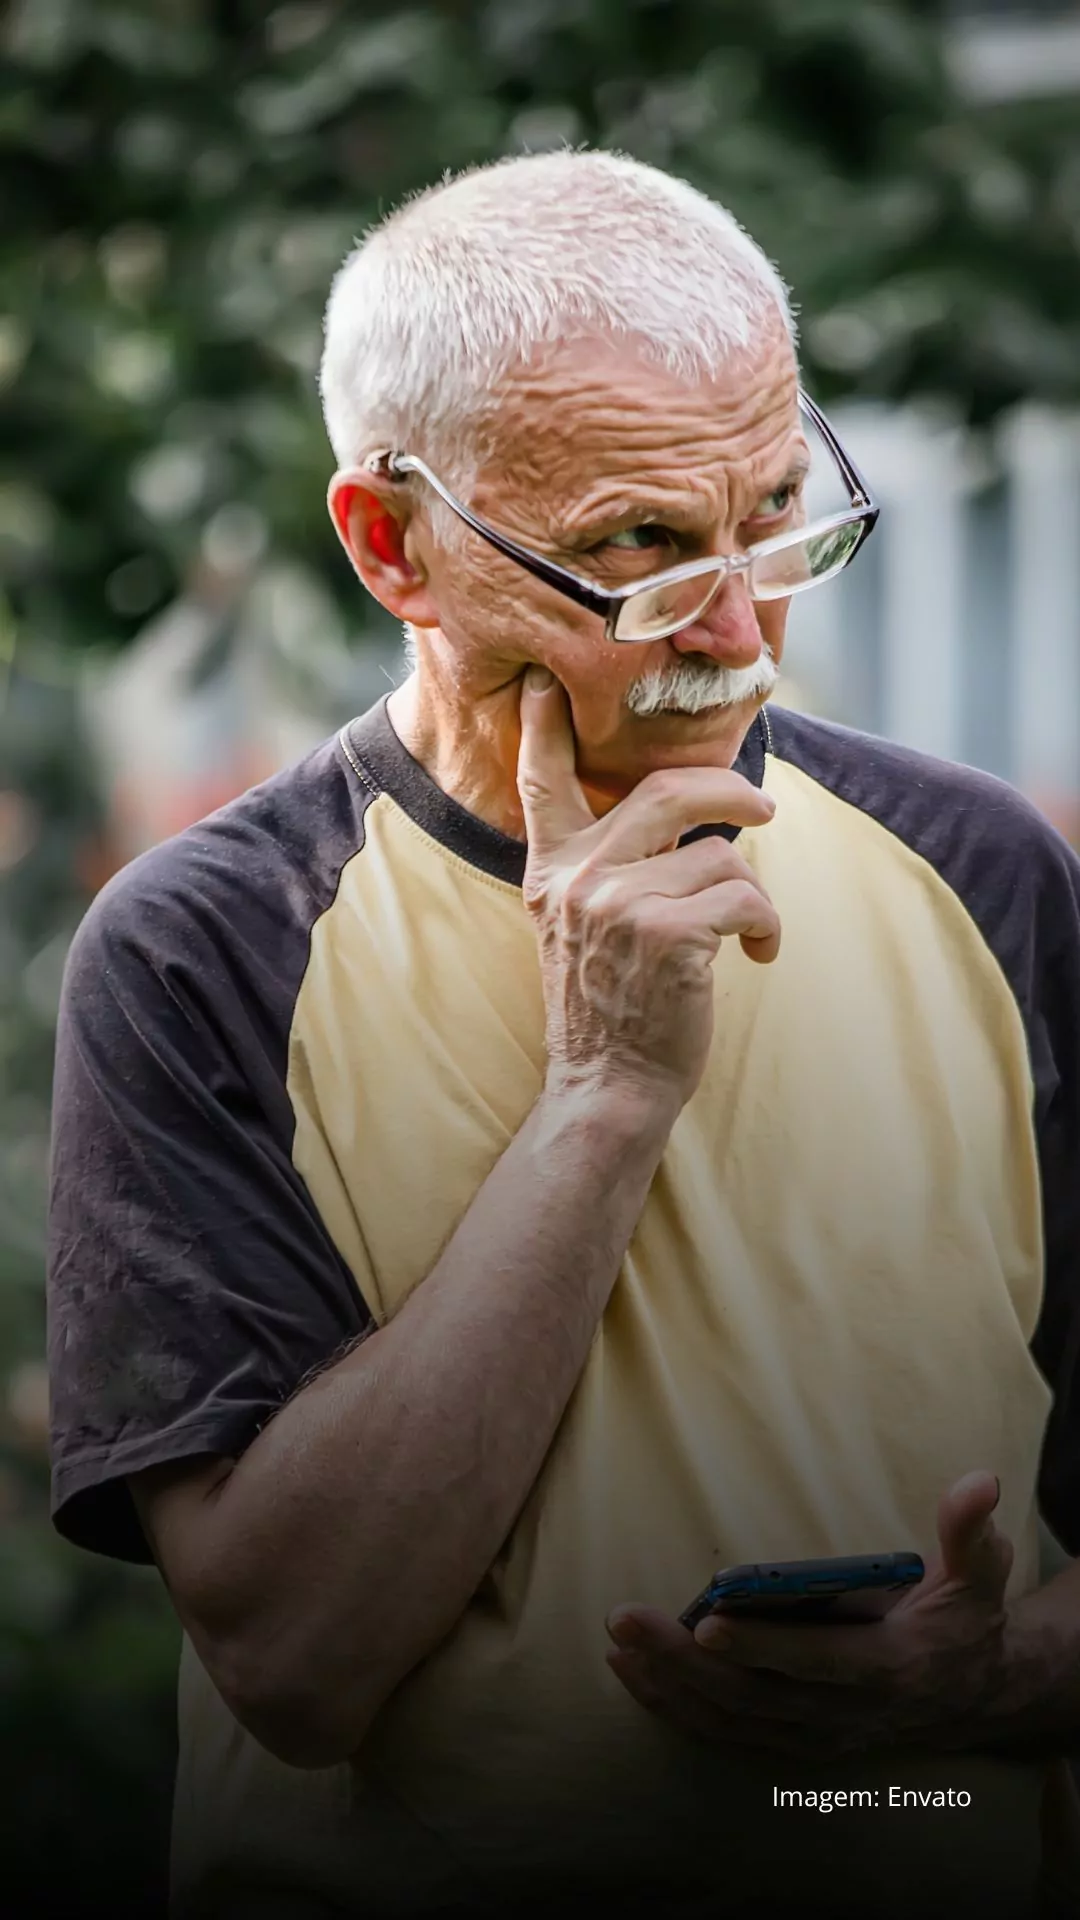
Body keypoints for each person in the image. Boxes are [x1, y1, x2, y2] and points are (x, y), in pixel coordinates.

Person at [47, 150, 1080, 1920]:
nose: (745, 636)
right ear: (393, 545)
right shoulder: (204, 948)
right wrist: (600, 1101)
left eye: (773, 513)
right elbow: (293, 1667)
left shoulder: (986, 872)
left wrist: (987, 1685)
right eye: (642, 553)